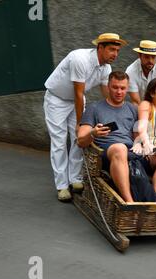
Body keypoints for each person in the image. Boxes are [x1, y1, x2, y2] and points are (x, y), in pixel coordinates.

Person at [43, 33, 127, 202]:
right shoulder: (80, 58)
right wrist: (81, 123)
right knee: (59, 141)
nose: (115, 54)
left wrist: (118, 115)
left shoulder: (106, 69)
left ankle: (75, 179)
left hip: (78, 101)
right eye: (111, 49)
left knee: (79, 139)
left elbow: (108, 97)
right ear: (100, 47)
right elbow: (78, 92)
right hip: (57, 100)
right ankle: (62, 186)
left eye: (117, 50)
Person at [77, 71, 156, 203]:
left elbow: (138, 135)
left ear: (127, 89)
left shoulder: (132, 108)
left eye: (122, 88)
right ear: (108, 87)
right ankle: (130, 203)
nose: (119, 92)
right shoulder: (94, 108)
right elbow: (80, 141)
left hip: (132, 152)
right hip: (108, 153)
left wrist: (140, 144)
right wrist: (93, 133)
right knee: (120, 148)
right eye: (115, 87)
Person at [125, 40, 156, 107]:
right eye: (147, 57)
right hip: (142, 106)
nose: (150, 61)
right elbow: (136, 102)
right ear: (140, 56)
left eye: (153, 57)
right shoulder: (130, 71)